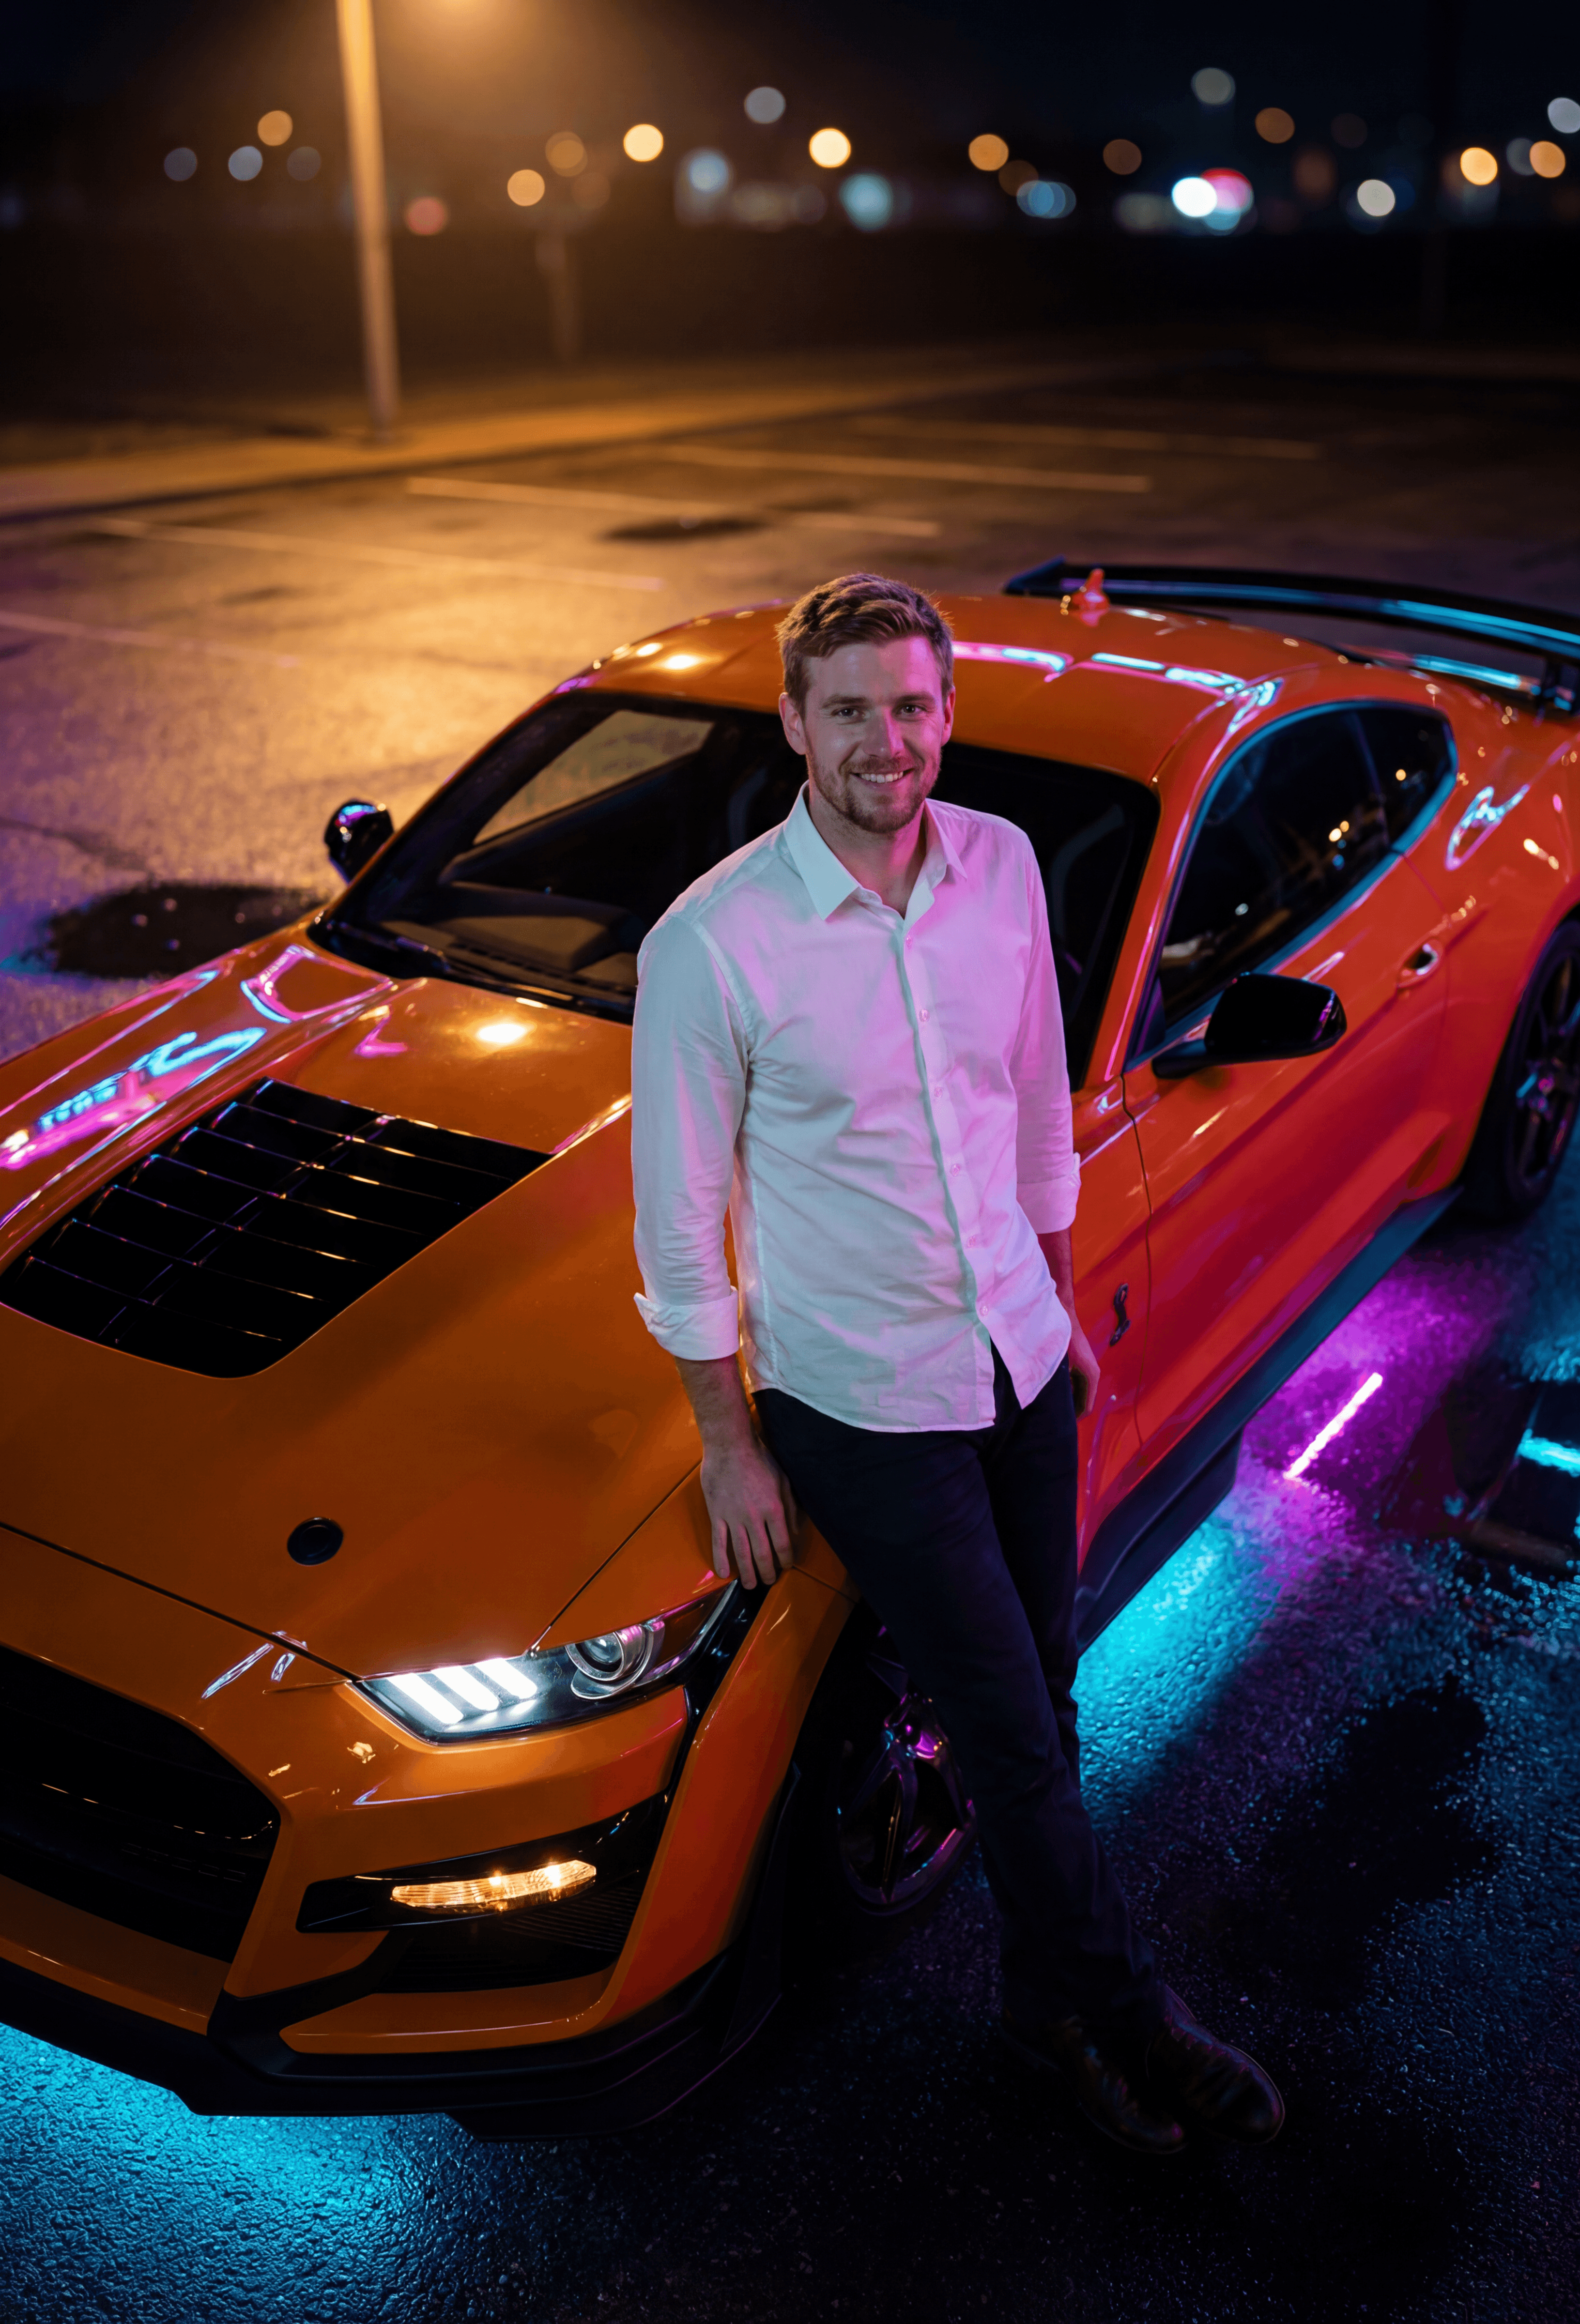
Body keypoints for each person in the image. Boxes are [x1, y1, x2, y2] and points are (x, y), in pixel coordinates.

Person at [629, 571, 1283, 2157]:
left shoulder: (997, 868)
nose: (887, 740)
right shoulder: (714, 945)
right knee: (1004, 1722)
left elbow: (1038, 1115)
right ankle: (1130, 2018)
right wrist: (730, 1445)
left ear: (945, 713)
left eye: (912, 706)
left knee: (1042, 1696)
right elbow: (677, 1231)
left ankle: (1036, 2013)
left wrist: (1054, 1327)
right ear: (793, 722)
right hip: (861, 1401)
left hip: (1013, 1359)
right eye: (849, 709)